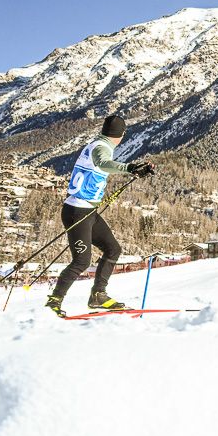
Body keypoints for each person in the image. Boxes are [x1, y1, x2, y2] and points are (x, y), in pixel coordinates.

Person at [45, 114, 153, 317]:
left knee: (113, 249)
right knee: (81, 261)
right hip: (78, 212)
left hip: (86, 211)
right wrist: (129, 168)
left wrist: (134, 170)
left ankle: (98, 295)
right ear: (121, 134)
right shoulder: (101, 147)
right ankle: (54, 301)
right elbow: (103, 163)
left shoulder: (97, 143)